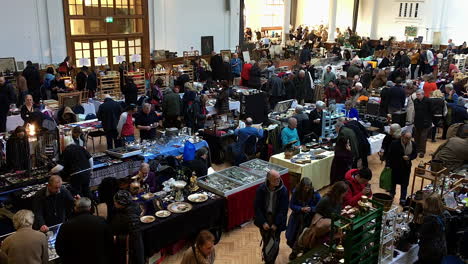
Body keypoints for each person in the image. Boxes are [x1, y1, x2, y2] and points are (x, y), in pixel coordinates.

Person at [55, 197, 114, 264]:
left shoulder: (66, 226)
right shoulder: (101, 221)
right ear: (90, 208)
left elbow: (59, 248)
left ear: (75, 208)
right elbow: (109, 242)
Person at [254, 170, 289, 264]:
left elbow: (283, 210)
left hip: (276, 219)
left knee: (275, 242)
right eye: (275, 179)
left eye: (279, 178)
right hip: (265, 218)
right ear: (269, 180)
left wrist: (276, 224)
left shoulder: (283, 190)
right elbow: (257, 207)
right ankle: (267, 259)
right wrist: (263, 222)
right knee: (266, 240)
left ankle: (271, 260)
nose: (278, 180)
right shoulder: (261, 189)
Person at [286, 177, 321, 260]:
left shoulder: (315, 194)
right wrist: (301, 209)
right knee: (292, 236)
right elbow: (292, 205)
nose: (307, 190)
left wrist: (311, 209)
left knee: (304, 237)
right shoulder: (296, 192)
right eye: (305, 188)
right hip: (296, 218)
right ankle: (294, 252)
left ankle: (303, 253)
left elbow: (319, 207)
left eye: (308, 188)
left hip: (308, 219)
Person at [109, 190, 144, 264]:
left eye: (115, 201)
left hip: (130, 251)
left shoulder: (130, 217)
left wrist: (117, 238)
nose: (114, 203)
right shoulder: (128, 208)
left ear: (121, 204)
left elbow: (134, 237)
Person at [417, 195, 450, 264]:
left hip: (429, 252)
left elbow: (421, 235)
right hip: (441, 248)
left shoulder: (430, 220)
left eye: (425, 203)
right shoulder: (445, 215)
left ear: (429, 205)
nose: (423, 203)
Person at [388, 132, 417, 205]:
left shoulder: (413, 144)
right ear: (402, 137)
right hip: (395, 166)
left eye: (409, 138)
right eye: (406, 138)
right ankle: (391, 196)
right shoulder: (394, 143)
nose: (408, 140)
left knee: (405, 183)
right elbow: (390, 155)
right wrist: (388, 165)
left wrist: (409, 157)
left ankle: (402, 199)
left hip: (406, 167)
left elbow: (415, 154)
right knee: (393, 182)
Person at [413, 89, 432, 158]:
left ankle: (422, 151)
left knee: (423, 138)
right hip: (417, 121)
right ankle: (416, 149)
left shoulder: (428, 101)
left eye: (419, 95)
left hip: (426, 122)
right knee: (416, 137)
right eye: (416, 94)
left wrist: (429, 121)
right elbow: (414, 111)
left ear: (423, 94)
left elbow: (431, 112)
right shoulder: (415, 101)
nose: (417, 96)